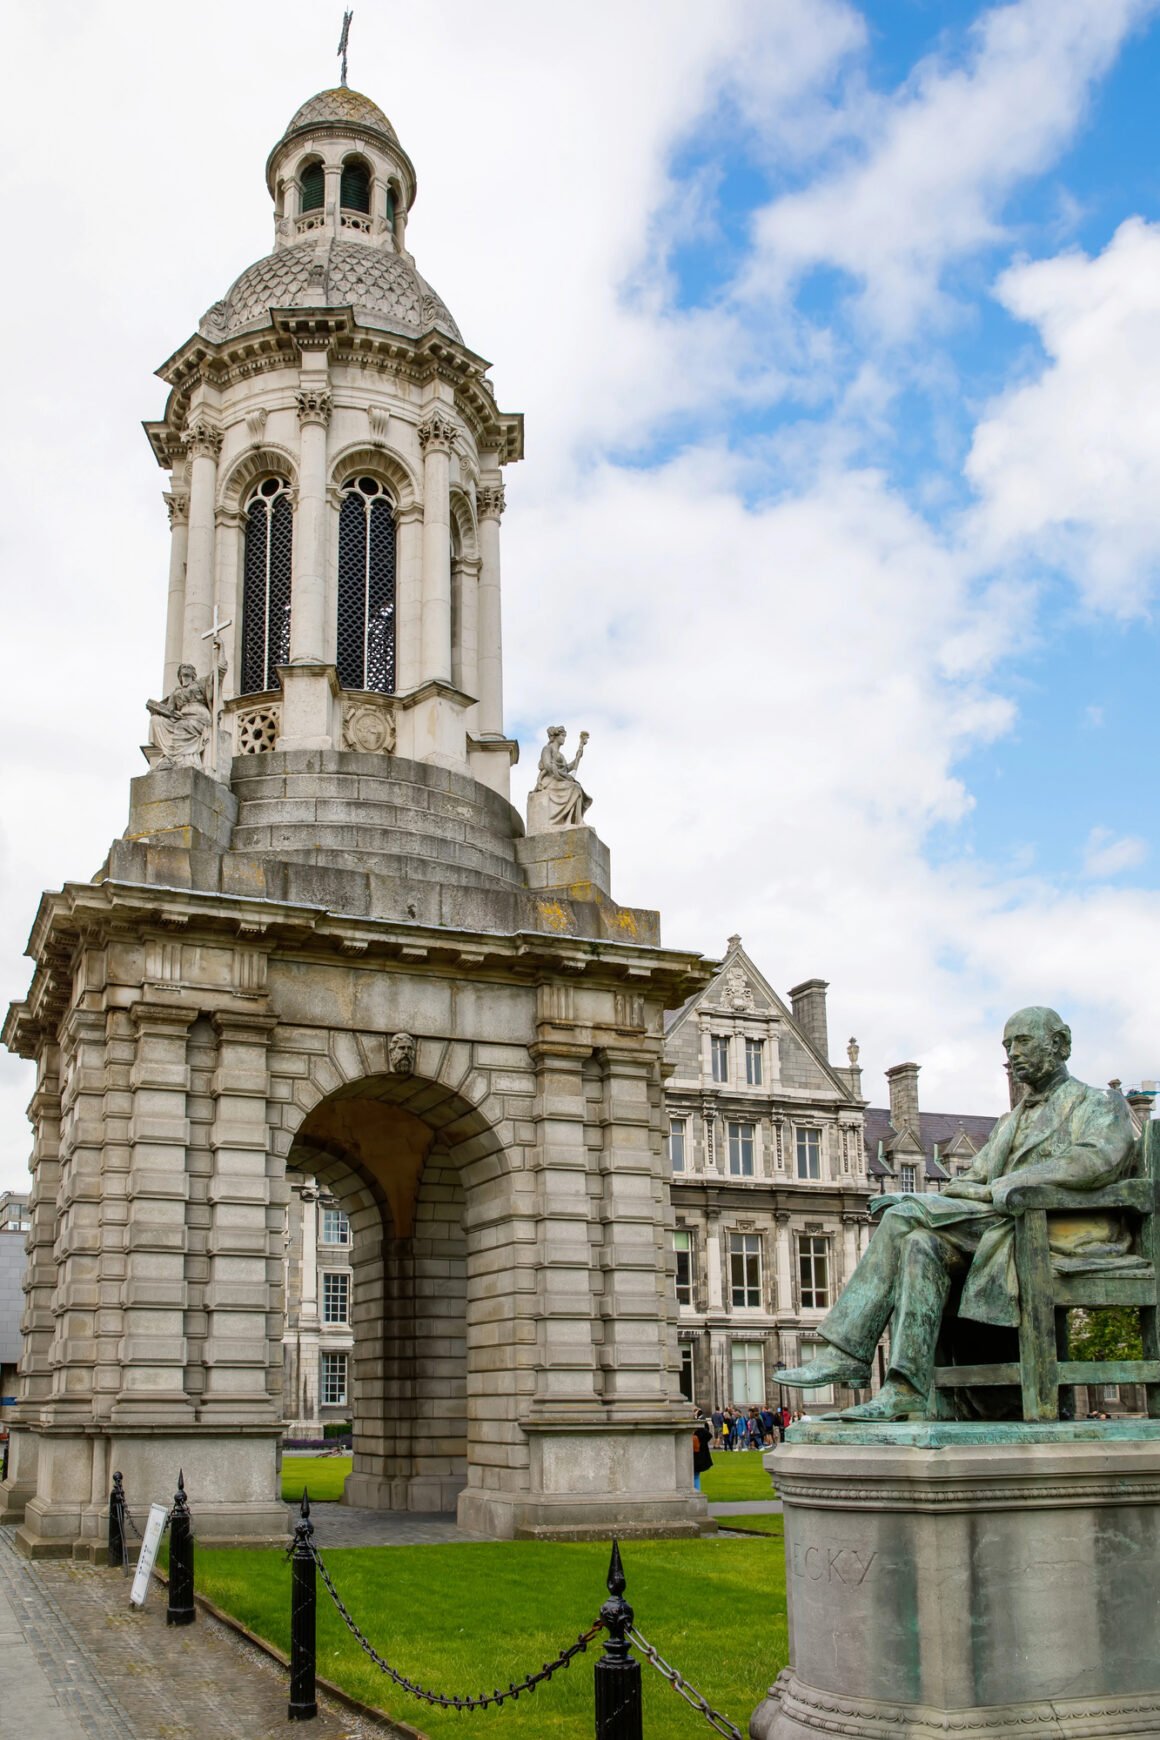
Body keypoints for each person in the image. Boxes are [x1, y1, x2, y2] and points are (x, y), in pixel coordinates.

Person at [775, 1008, 1137, 1421]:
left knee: (901, 1219)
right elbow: (974, 1177)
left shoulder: (1099, 1104)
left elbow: (1096, 1161)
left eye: (1023, 1042)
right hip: (1006, 1223)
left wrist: (1009, 1184)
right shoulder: (1010, 1121)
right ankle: (905, 1388)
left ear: (1061, 1044)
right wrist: (960, 1193)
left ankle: (846, 1352)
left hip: (1064, 1227)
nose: (1014, 1053)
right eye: (1007, 1046)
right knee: (918, 1244)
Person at [146, 662, 220, 771]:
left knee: (180, 727)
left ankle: (174, 758)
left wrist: (220, 652)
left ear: (193, 673)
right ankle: (172, 757)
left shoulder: (200, 683)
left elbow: (218, 675)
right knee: (155, 720)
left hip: (198, 717)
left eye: (189, 667)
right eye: (183, 667)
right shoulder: (176, 692)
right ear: (179, 673)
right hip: (181, 718)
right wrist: (156, 710)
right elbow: (170, 710)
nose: (186, 668)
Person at [533, 726, 591, 826]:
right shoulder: (547, 749)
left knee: (576, 787)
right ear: (556, 736)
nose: (564, 738)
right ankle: (570, 820)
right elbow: (547, 765)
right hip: (550, 780)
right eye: (563, 736)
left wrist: (579, 751)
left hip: (559, 779)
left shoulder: (561, 755)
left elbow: (568, 768)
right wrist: (564, 775)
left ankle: (573, 820)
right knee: (575, 787)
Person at [692, 1415, 713, 1492]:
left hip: (696, 1457)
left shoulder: (696, 1434)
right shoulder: (703, 1433)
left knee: (695, 1476)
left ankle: (697, 1492)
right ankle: (697, 1492)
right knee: (696, 1476)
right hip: (700, 1458)